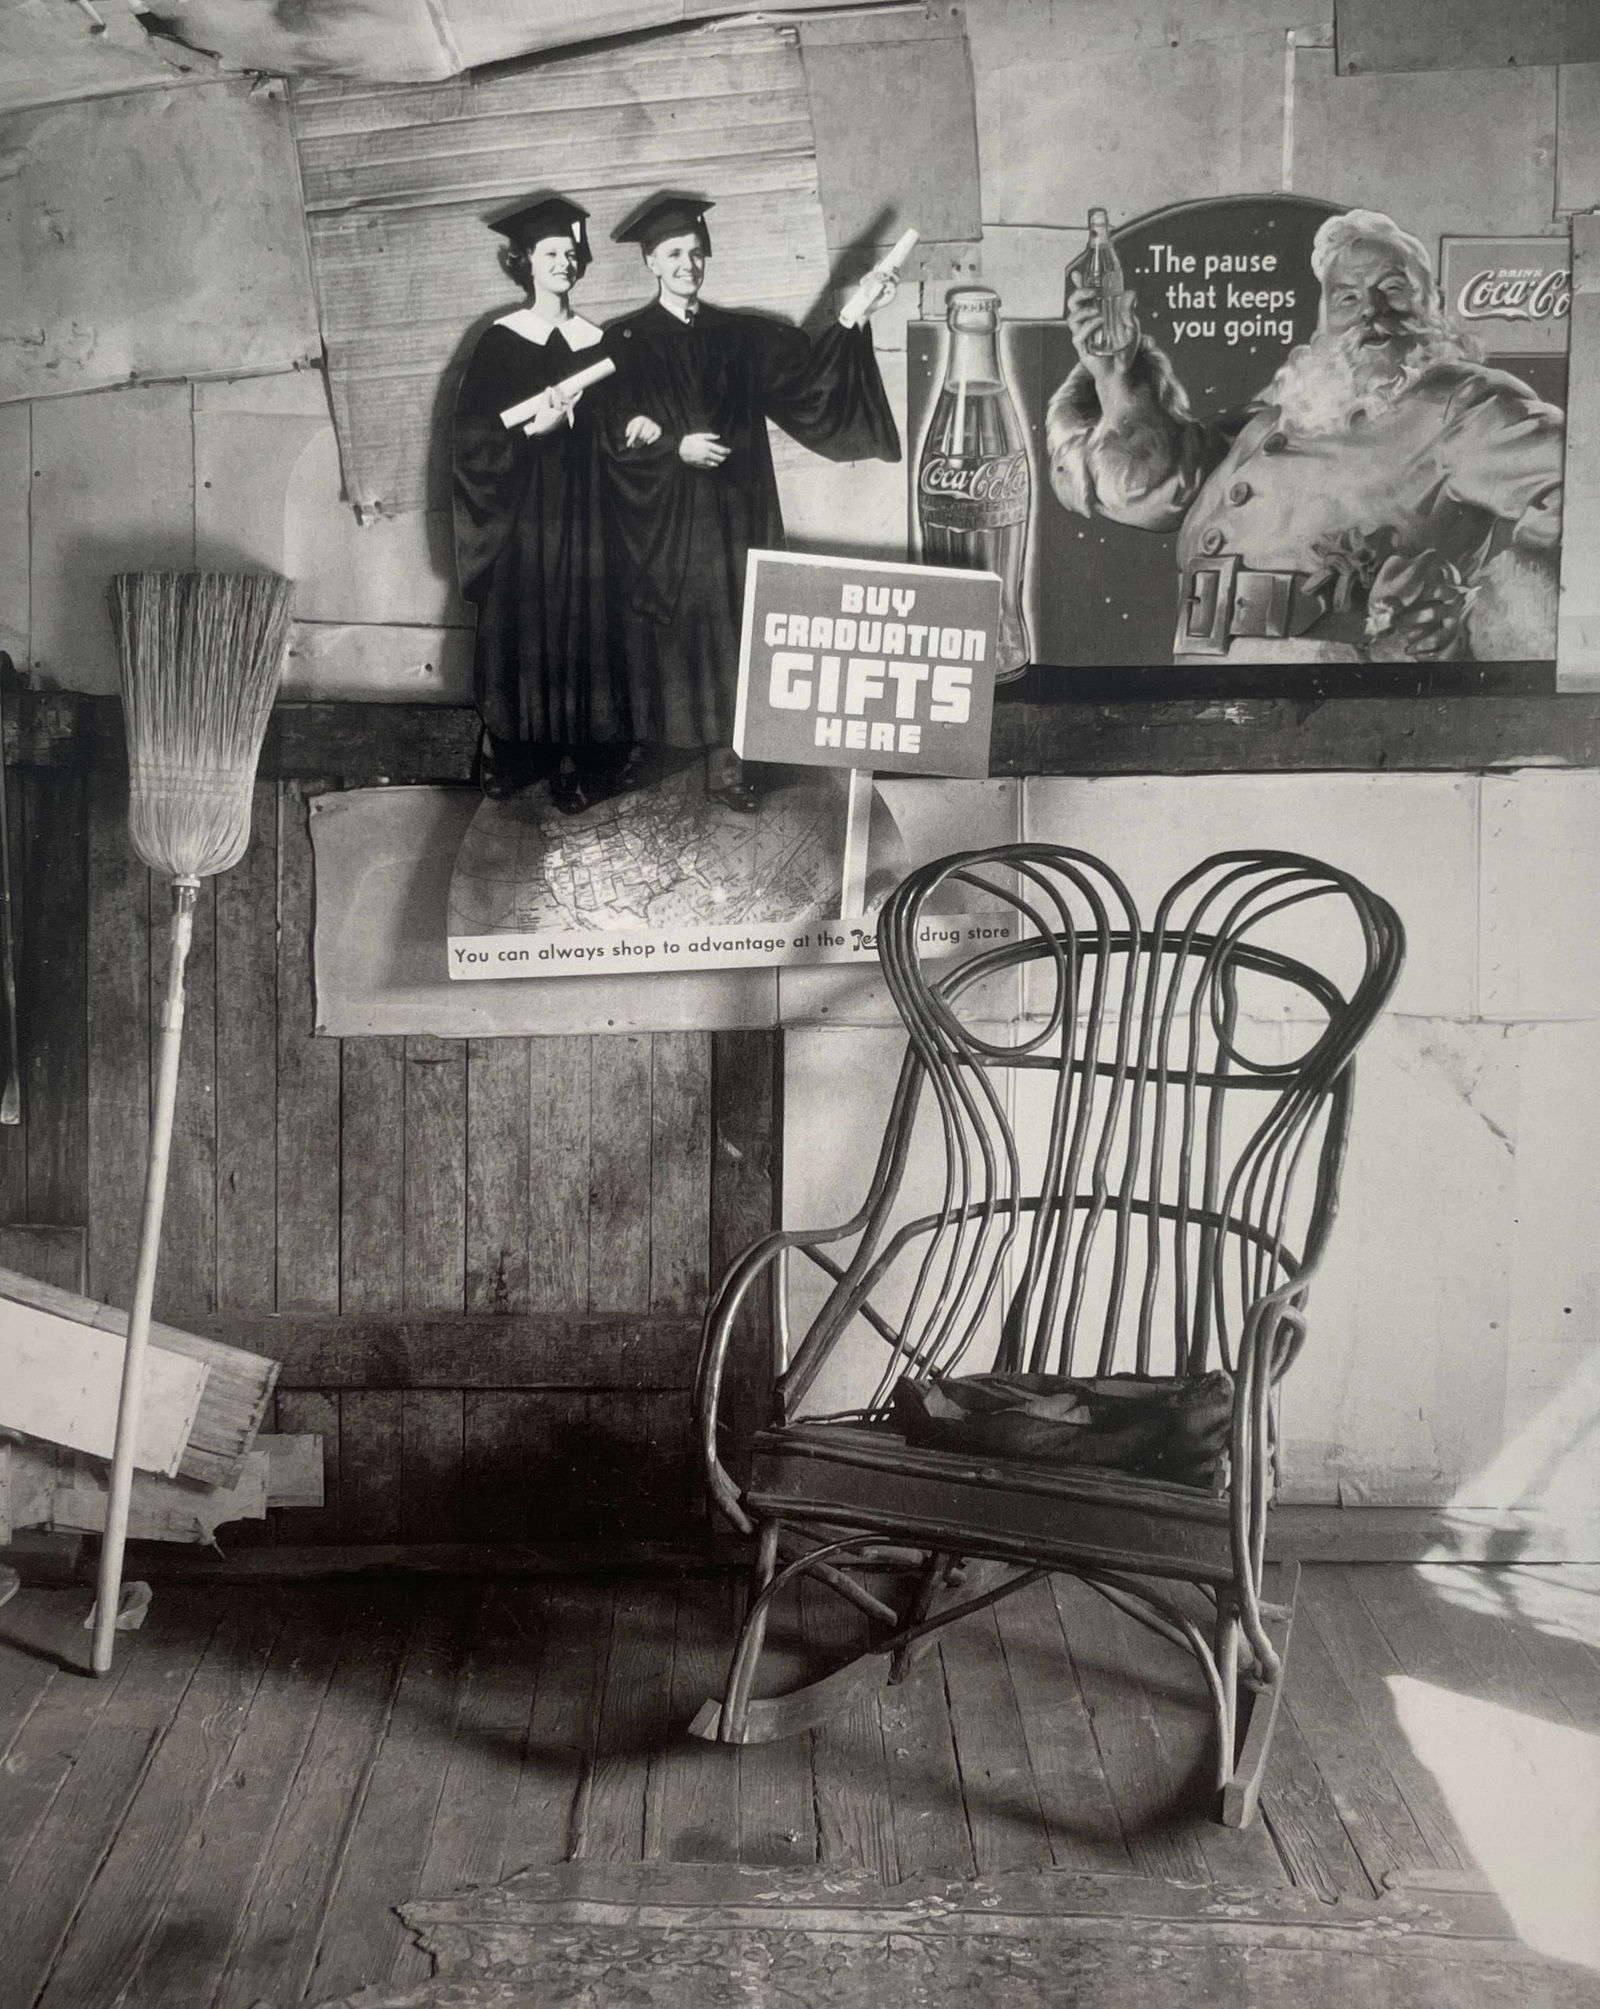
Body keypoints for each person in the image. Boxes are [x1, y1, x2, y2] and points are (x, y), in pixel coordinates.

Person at [1047, 207, 1564, 664]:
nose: (1369, 312)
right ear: (1323, 315)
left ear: (1433, 306)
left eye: (1393, 290)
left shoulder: (1461, 402)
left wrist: (1478, 614)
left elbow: (1583, 485)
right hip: (1208, 680)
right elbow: (1159, 490)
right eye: (1346, 297)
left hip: (1336, 695)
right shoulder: (1291, 403)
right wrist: (1116, 377)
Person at [604, 194, 902, 810]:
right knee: (668, 626)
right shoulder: (624, 342)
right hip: (661, 516)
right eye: (673, 254)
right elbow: (608, 429)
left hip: (739, 511)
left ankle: (731, 760)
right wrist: (672, 449)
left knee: (739, 623)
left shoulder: (739, 334)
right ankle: (660, 746)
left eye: (695, 251)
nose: (688, 263)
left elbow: (809, 377)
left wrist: (855, 313)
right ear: (651, 264)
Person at [452, 194, 651, 808]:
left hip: (592, 512)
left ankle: (594, 756)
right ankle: (521, 753)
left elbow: (621, 425)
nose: (563, 263)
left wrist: (626, 428)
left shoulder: (603, 343)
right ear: (525, 263)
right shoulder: (500, 343)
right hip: (526, 515)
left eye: (571, 253)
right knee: (527, 623)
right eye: (550, 253)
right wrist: (531, 434)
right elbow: (472, 441)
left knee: (595, 624)